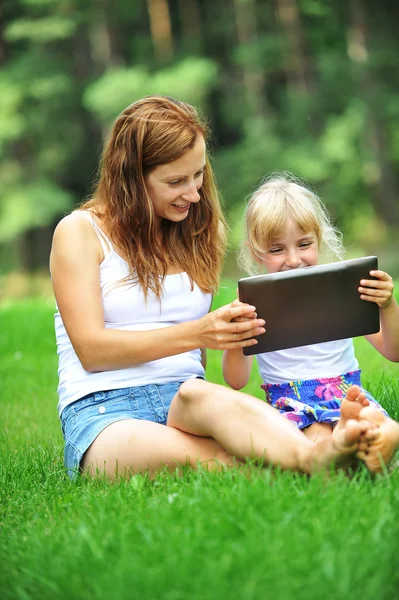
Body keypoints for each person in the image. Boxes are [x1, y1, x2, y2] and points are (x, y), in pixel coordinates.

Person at [50, 96, 391, 480]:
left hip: (187, 399)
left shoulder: (197, 232)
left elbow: (205, 369)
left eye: (198, 175)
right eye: (176, 181)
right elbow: (92, 350)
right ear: (131, 177)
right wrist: (199, 332)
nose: (194, 194)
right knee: (228, 464)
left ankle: (324, 453)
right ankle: (323, 458)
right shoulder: (79, 232)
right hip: (106, 413)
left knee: (204, 395)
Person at [223, 172, 399, 471]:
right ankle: (351, 450)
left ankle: (372, 440)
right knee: (315, 437)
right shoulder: (257, 303)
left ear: (319, 239)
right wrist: (238, 334)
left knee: (381, 424)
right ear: (257, 253)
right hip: (291, 405)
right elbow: (235, 380)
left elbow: (394, 351)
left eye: (304, 244)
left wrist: (387, 304)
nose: (293, 259)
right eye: (277, 249)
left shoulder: (342, 288)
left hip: (348, 396)